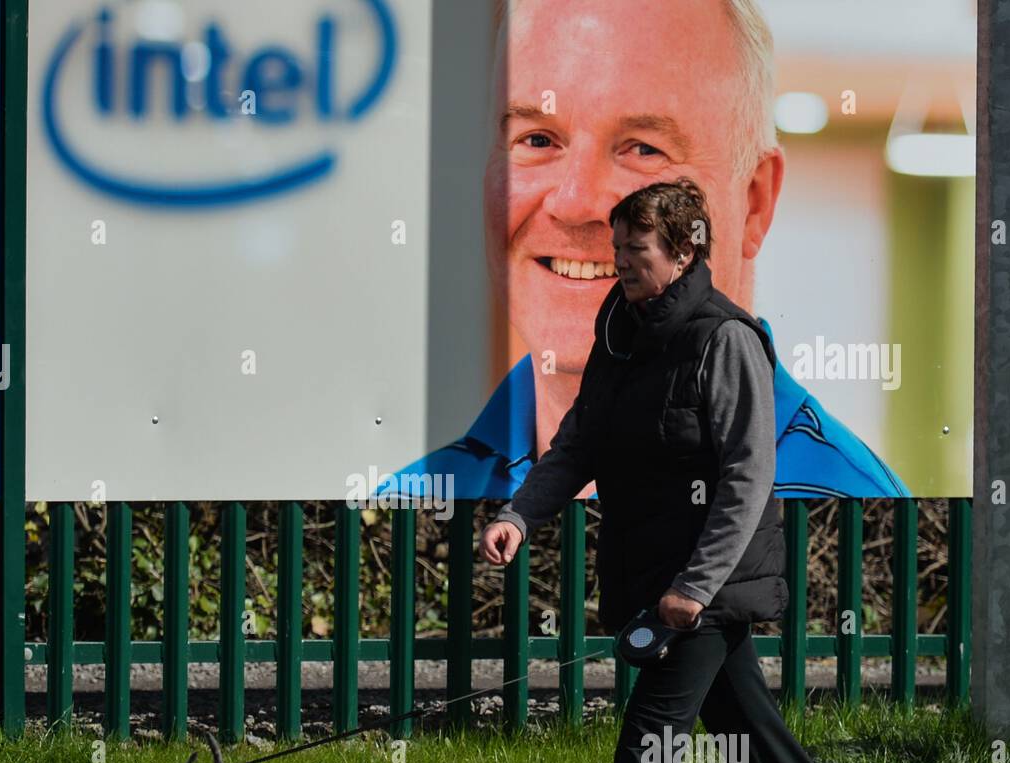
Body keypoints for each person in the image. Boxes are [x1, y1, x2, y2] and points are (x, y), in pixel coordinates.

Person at [478, 178, 882, 763]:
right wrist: (520, 514)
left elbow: (746, 477)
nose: (620, 265)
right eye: (617, 250)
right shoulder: (624, 330)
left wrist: (693, 590)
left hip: (707, 586)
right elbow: (581, 441)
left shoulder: (725, 339)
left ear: (684, 251)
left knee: (652, 743)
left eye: (637, 252)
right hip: (658, 576)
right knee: (752, 740)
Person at [377, 0, 909, 503]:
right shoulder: (407, 504)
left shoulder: (853, 514)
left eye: (643, 149)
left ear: (754, 203)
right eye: (537, 140)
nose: (575, 201)